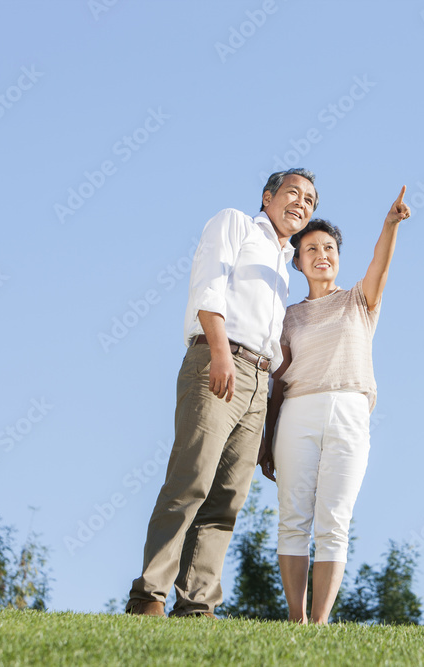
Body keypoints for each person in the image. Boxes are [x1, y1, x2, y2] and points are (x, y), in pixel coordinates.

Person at [126, 168, 318, 618]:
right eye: (293, 193)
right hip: (219, 359)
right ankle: (149, 594)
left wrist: (267, 416)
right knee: (190, 480)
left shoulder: (283, 267)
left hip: (258, 380)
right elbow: (208, 288)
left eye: (310, 201)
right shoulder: (234, 223)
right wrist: (219, 352)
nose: (302, 204)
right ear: (268, 197)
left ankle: (196, 604)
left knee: (227, 498)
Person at [258, 186, 411, 624]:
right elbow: (278, 384)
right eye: (310, 249)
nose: (321, 254)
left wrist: (389, 225)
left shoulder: (359, 301)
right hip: (296, 415)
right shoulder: (286, 316)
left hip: (349, 413)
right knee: (293, 518)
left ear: (337, 256)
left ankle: (320, 622)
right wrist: (267, 440)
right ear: (298, 260)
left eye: (328, 247)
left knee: (334, 520)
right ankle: (296, 619)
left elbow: (380, 265)